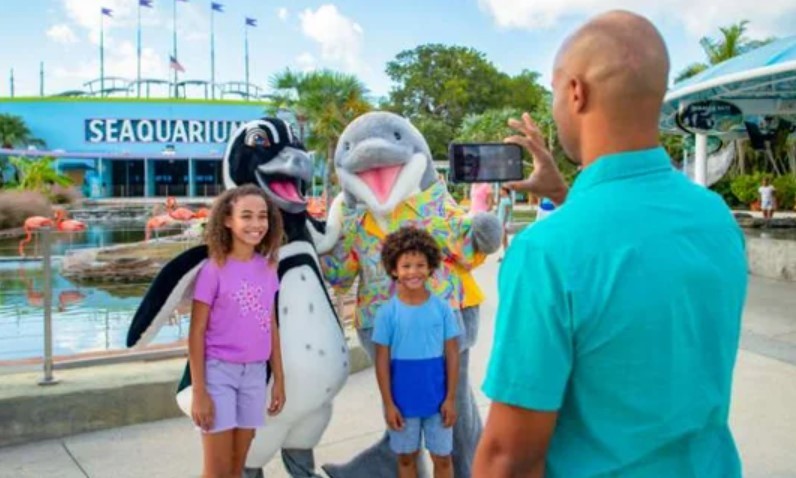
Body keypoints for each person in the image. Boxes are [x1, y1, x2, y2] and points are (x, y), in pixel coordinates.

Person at [473, 10, 748, 478]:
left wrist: (570, 208)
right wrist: (566, 194)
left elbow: (509, 458)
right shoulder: (716, 219)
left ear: (576, 92)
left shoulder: (545, 253)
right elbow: (635, 255)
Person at [189, 184, 287, 478]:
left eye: (262, 216)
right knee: (216, 471)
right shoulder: (213, 269)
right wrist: (199, 391)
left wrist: (279, 378)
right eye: (246, 216)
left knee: (235, 468)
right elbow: (196, 333)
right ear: (228, 221)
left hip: (255, 375)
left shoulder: (268, 268)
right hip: (219, 374)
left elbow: (270, 325)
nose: (256, 224)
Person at [373, 226, 461, 478]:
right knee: (406, 458)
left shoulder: (442, 309)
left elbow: (453, 355)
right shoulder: (387, 313)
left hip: (438, 402)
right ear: (394, 270)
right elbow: (381, 362)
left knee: (443, 459)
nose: (413, 272)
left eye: (420, 265)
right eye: (406, 266)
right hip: (402, 403)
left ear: (430, 267)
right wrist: (389, 404)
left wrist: (451, 398)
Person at [496, 186, 513, 260]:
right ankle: (507, 254)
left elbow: (507, 212)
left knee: (503, 239)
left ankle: (506, 254)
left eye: (501, 190)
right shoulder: (503, 200)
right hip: (501, 221)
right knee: (504, 239)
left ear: (505, 191)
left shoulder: (507, 200)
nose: (500, 192)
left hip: (503, 222)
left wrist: (505, 222)